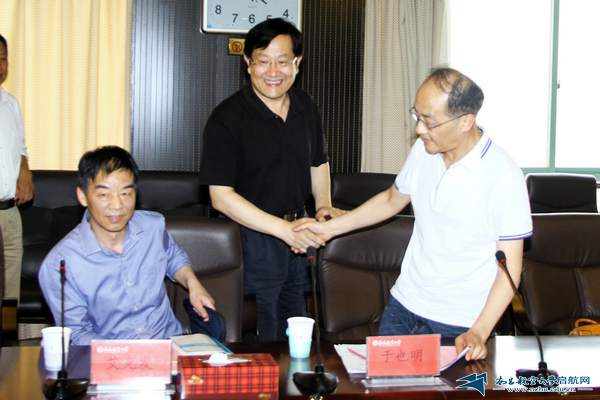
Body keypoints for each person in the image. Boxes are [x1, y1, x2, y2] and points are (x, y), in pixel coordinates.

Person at [294, 68, 532, 360]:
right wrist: (329, 229)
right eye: (416, 116)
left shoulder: (504, 177)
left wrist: (479, 331)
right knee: (382, 384)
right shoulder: (425, 150)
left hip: (461, 323)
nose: (419, 129)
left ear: (466, 121)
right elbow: (391, 200)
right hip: (404, 306)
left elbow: (510, 269)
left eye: (429, 122)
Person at [199, 18, 343, 341]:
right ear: (248, 63)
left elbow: (318, 161)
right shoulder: (227, 118)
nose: (273, 71)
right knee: (260, 332)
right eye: (263, 61)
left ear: (297, 63)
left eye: (282, 61)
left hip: (299, 235)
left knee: (298, 328)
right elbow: (220, 197)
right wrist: (282, 230)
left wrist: (323, 205)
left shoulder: (306, 106)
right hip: (250, 240)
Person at [39, 146, 215, 345]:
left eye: (125, 193)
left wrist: (193, 285)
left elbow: (173, 256)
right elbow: (77, 334)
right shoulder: (61, 264)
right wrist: (127, 354)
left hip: (170, 347)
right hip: (109, 357)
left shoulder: (153, 227)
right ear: (82, 196)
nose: (117, 205)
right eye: (104, 195)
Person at [0, 33, 34, 301]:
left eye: (3, 59)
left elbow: (20, 148)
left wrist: (24, 169)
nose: (0, 66)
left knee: (10, 298)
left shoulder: (11, 104)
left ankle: (8, 330)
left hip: (9, 213)